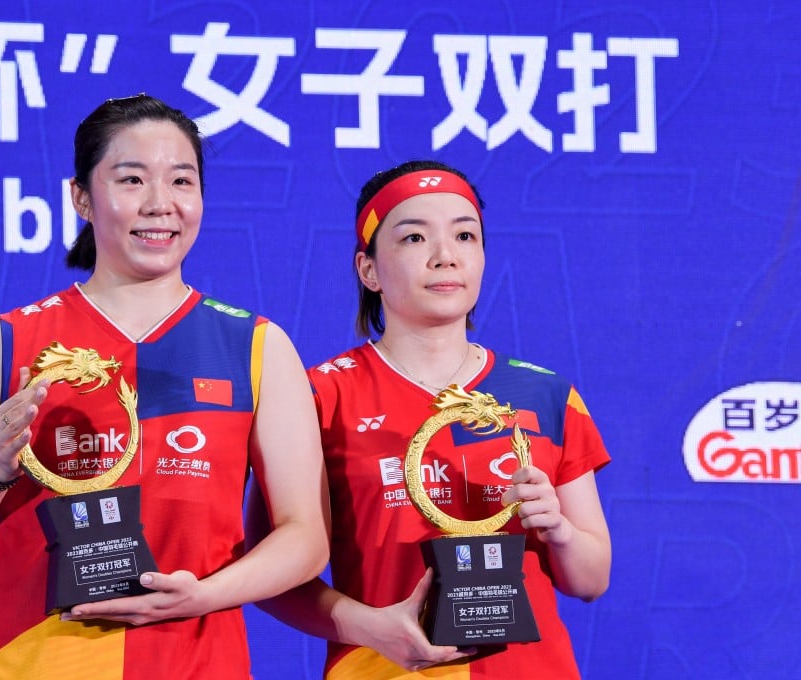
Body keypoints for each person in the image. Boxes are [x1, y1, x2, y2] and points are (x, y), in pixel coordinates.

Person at [0, 94, 329, 679]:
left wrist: (203, 596)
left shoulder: (257, 346)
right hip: (29, 663)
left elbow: (306, 538)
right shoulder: (7, 342)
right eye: (131, 179)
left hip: (197, 661)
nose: (161, 204)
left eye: (181, 181)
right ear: (82, 197)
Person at [249, 160, 611, 678]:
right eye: (415, 238)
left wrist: (557, 530)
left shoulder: (546, 394)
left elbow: (591, 580)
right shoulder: (317, 395)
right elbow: (272, 572)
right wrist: (368, 626)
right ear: (367, 269)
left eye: (465, 236)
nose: (446, 256)